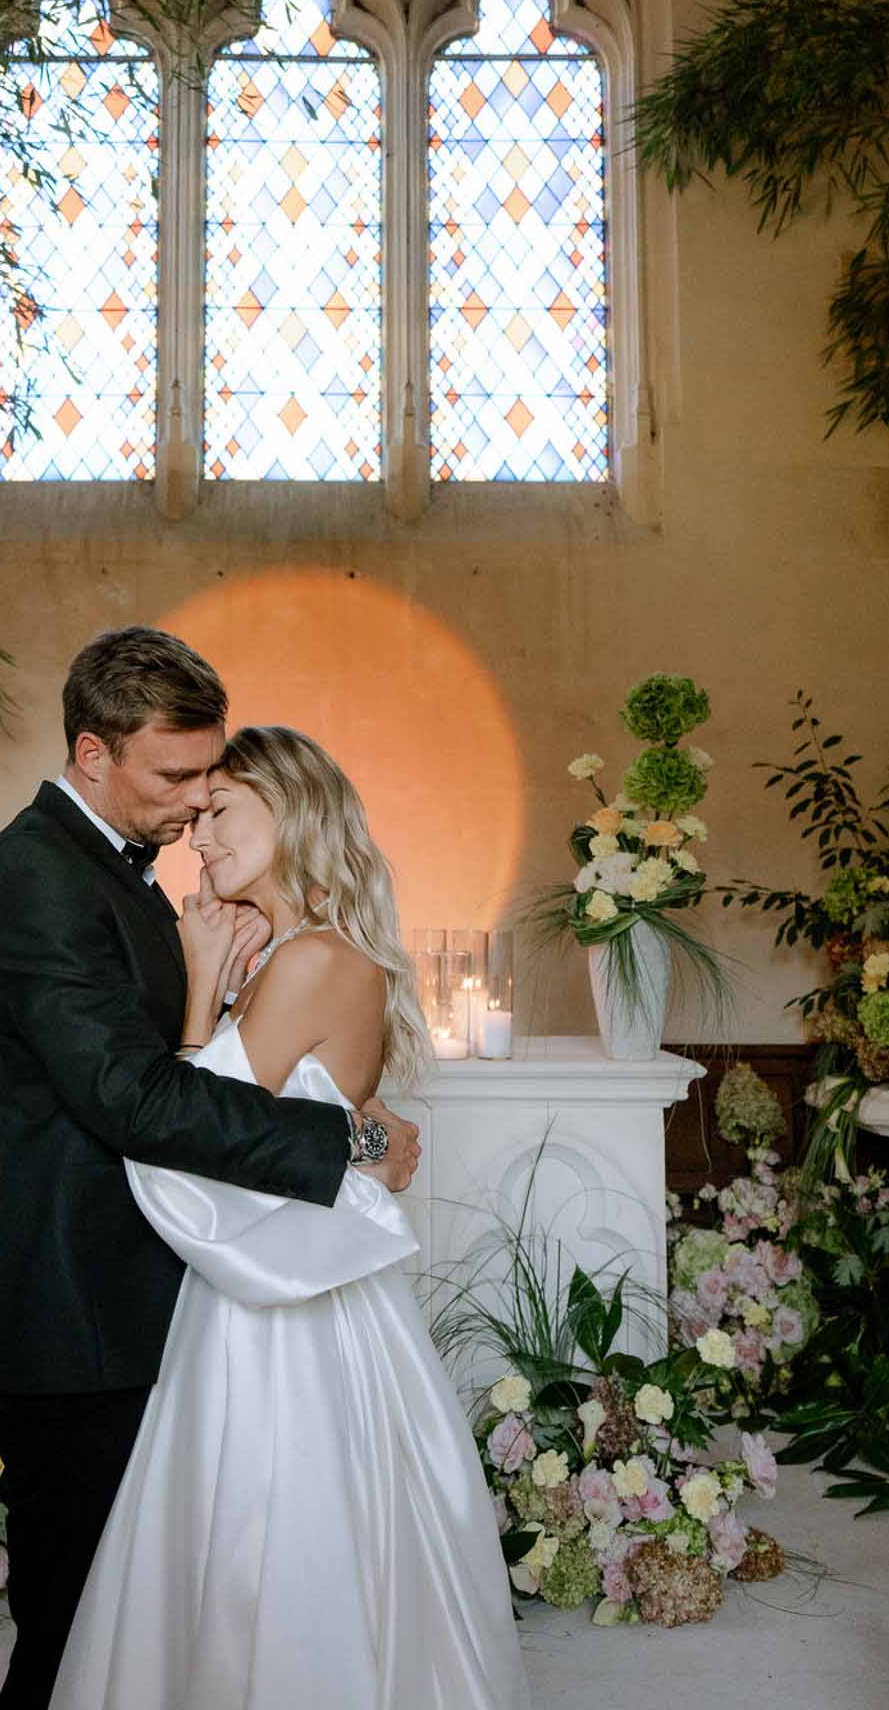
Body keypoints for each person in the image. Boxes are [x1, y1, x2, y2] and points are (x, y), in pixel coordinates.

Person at [0, 629, 421, 1710]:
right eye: (174, 778)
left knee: (151, 1638)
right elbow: (133, 1097)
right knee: (77, 1645)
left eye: (212, 779)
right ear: (90, 754)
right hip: (77, 1310)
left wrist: (337, 1091)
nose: (192, 805)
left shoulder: (108, 871)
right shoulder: (36, 879)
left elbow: (221, 1060)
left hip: (152, 1297)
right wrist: (341, 1138)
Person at [49, 725, 530, 1710]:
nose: (198, 834)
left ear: (293, 811)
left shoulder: (310, 959)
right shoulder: (293, 954)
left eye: (221, 809)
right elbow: (303, 1119)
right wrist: (354, 1127)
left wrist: (194, 1010)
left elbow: (191, 1153)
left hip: (279, 1310)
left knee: (268, 1541)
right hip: (282, 1277)